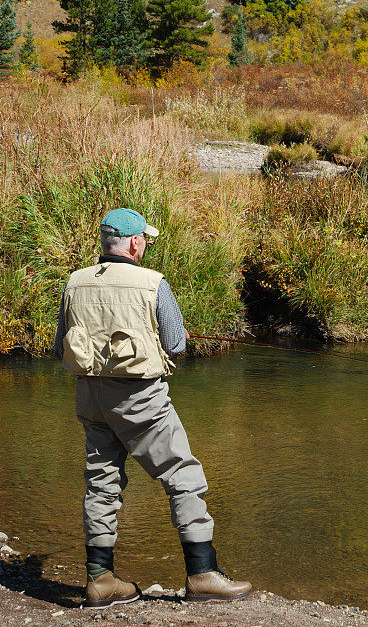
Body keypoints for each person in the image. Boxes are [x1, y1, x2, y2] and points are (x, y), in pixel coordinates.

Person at [53, 208, 252, 609]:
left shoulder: (74, 283)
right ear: (134, 242)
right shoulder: (153, 284)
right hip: (141, 400)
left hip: (90, 398)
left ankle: (100, 580)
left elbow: (60, 347)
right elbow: (176, 344)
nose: (144, 245)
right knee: (182, 474)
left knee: (102, 483)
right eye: (144, 239)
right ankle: (202, 573)